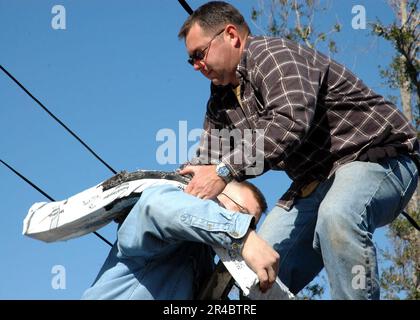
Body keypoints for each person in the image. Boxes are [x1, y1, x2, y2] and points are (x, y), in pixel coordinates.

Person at [177, 1, 419, 299]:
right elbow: (204, 165)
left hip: (377, 157)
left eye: (199, 55)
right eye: (191, 61)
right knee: (253, 272)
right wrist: (173, 194)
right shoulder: (220, 102)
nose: (198, 66)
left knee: (338, 216)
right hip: (313, 182)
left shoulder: (272, 55)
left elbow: (289, 122)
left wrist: (225, 171)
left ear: (231, 35)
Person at [82, 180, 279, 299]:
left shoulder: (205, 265)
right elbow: (155, 205)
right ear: (215, 193)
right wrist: (240, 232)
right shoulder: (165, 222)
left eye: (252, 224)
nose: (243, 221)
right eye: (241, 212)